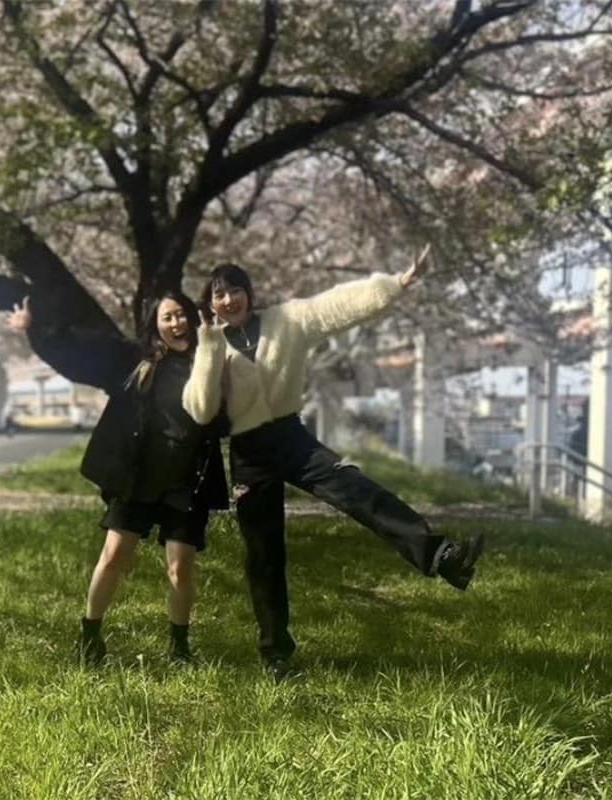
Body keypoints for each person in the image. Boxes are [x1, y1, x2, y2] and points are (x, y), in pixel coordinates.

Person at [182, 248, 484, 679]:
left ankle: (440, 555)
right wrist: (209, 348)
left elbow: (336, 305)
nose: (228, 300)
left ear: (249, 293)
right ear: (210, 304)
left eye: (235, 290)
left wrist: (395, 284)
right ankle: (275, 654)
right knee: (264, 554)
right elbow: (200, 409)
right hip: (249, 453)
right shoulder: (211, 344)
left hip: (292, 439)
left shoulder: (286, 321)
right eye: (219, 295)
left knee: (356, 488)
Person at [4, 293, 229, 665]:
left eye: (182, 315)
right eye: (168, 317)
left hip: (187, 480)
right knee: (112, 557)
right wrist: (35, 330)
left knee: (180, 568)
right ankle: (90, 638)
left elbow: (225, 417)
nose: (177, 324)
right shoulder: (134, 360)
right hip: (138, 477)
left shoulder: (209, 361)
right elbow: (78, 357)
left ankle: (179, 649)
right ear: (155, 326)